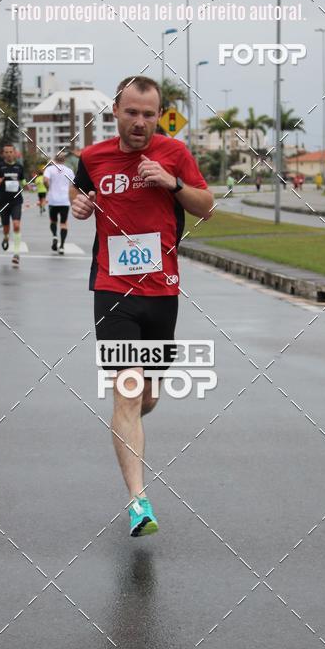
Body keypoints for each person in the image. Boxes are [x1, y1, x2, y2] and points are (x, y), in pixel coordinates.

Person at [70, 75, 213, 537]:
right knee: (128, 391)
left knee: (146, 396)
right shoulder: (93, 157)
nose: (140, 122)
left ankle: (125, 421)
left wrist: (172, 183)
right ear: (115, 111)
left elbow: (207, 206)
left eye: (149, 115)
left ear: (158, 116)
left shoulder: (174, 154)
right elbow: (80, 190)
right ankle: (138, 502)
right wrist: (80, 204)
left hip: (162, 293)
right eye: (132, 112)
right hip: (113, 289)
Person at [0, 144, 26, 267]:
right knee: (6, 227)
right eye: (6, 152)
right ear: (3, 154)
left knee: (16, 225)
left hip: (16, 201)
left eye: (11, 152)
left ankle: (16, 254)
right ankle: (5, 237)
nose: (9, 154)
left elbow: (23, 180)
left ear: (14, 153)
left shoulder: (19, 167)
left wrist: (26, 184)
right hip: (3, 201)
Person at [44, 157, 74, 253]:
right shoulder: (69, 170)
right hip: (65, 201)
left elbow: (45, 180)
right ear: (64, 160)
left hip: (53, 200)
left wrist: (48, 188)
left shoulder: (49, 169)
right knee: (63, 224)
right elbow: (73, 185)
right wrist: (72, 199)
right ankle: (62, 246)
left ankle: (54, 236)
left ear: (55, 159)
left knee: (53, 221)